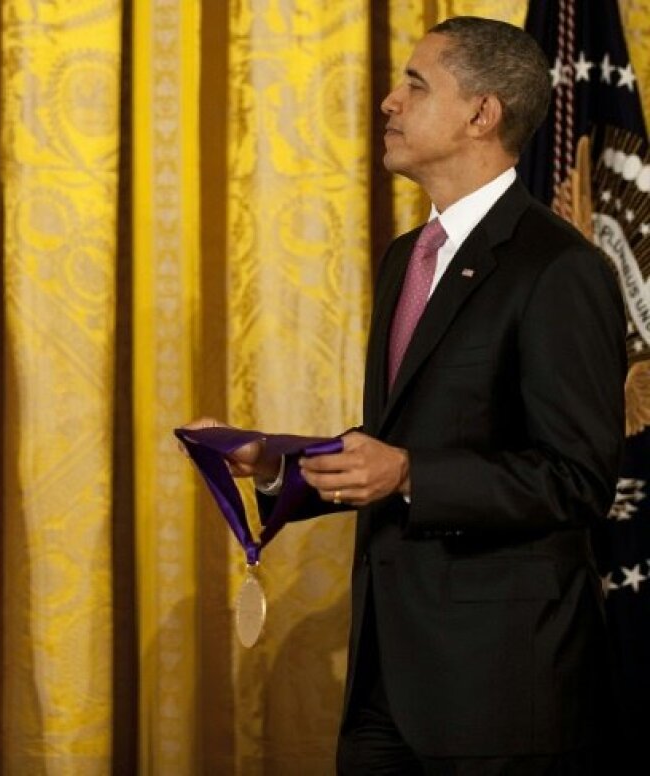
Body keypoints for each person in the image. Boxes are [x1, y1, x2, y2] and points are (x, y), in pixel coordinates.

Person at [185, 17, 625, 774]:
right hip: (385, 680)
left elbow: (577, 479)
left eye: (416, 85)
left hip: (498, 696)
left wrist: (412, 474)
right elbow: (409, 434)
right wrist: (275, 462)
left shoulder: (559, 270)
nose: (389, 101)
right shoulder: (406, 258)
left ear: (481, 115)